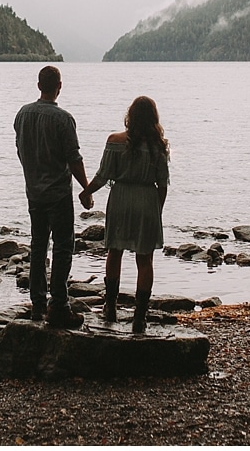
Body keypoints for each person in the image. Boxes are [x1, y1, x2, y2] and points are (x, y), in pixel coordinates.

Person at [81, 93, 170, 334]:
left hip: (121, 199)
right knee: (145, 259)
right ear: (153, 118)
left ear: (130, 116)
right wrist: (156, 212)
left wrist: (85, 192)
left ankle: (110, 307)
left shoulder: (115, 141)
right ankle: (139, 317)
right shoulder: (158, 147)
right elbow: (163, 184)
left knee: (115, 252)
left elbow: (102, 176)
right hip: (147, 200)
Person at [12, 63, 93, 328]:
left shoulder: (22, 115)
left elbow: (20, 150)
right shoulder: (64, 119)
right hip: (58, 194)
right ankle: (58, 305)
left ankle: (37, 305)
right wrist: (87, 188)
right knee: (62, 247)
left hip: (34, 192)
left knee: (37, 246)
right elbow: (74, 159)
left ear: (39, 86)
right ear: (59, 87)